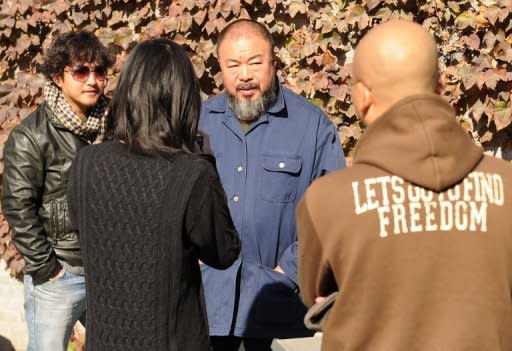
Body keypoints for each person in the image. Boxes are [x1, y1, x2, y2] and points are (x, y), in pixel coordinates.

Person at [297, 19, 512, 351]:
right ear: (442, 86)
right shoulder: (506, 187)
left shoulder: (326, 201)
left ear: (361, 96)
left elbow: (316, 297)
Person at [66, 38, 241, 351]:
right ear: (182, 99)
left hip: (106, 340)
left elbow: (85, 234)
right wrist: (208, 163)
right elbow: (224, 251)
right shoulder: (192, 173)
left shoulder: (86, 162)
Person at [199, 19, 346, 350]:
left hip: (279, 304)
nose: (245, 74)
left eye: (255, 62)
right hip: (208, 305)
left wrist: (289, 271)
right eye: (233, 64)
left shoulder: (311, 126)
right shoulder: (198, 122)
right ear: (220, 68)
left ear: (273, 62)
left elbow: (334, 214)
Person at [1, 31, 112, 351]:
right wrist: (49, 270)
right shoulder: (31, 136)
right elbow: (18, 207)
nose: (92, 80)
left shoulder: (116, 123)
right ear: (57, 76)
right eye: (80, 71)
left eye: (99, 71)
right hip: (59, 274)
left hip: (107, 270)